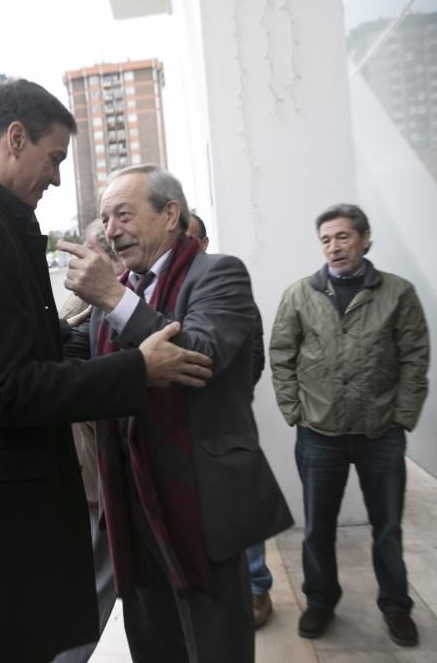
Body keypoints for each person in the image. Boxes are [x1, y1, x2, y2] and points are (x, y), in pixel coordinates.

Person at [0, 80, 211, 663]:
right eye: (54, 159)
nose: (56, 178)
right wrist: (135, 369)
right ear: (15, 139)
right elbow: (7, 388)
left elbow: (30, 353)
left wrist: (104, 338)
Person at [60, 164, 290, 662]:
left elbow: (199, 354)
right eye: (105, 219)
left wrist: (116, 298)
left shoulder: (219, 274)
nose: (111, 230)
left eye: (124, 214)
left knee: (214, 646)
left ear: (170, 214)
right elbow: (75, 357)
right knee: (153, 642)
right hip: (130, 503)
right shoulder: (113, 294)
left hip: (199, 502)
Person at [269, 202, 429, 647]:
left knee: (388, 528)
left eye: (342, 237)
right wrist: (294, 411)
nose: (334, 247)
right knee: (318, 527)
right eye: (326, 240)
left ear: (365, 238)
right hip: (319, 435)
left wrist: (403, 416)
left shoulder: (398, 293)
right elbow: (280, 354)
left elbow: (416, 357)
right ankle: (320, 600)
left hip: (381, 434)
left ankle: (396, 607)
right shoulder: (300, 294)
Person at [189, 213, 275, 629]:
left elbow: (252, 353)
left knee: (241, 513)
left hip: (228, 421)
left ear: (203, 242)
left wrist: (238, 394)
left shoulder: (223, 279)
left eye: (188, 238)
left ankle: (258, 588)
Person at [53, 219, 122, 663]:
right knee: (94, 583)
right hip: (91, 470)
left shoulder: (124, 294)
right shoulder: (78, 298)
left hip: (109, 465)